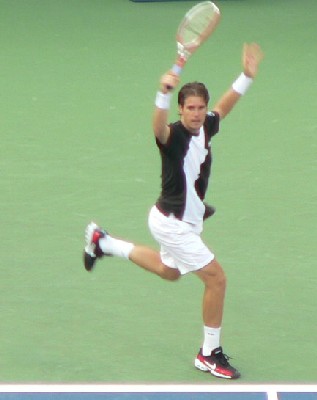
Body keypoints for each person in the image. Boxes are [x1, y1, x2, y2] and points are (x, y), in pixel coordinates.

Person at [83, 42, 264, 380]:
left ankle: (103, 242)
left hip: (184, 223)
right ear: (180, 109)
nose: (196, 113)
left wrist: (246, 76)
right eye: (190, 108)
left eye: (200, 108)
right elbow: (157, 127)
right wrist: (162, 95)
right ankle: (208, 353)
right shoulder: (173, 138)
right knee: (216, 279)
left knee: (170, 271)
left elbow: (225, 107)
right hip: (171, 224)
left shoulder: (206, 126)